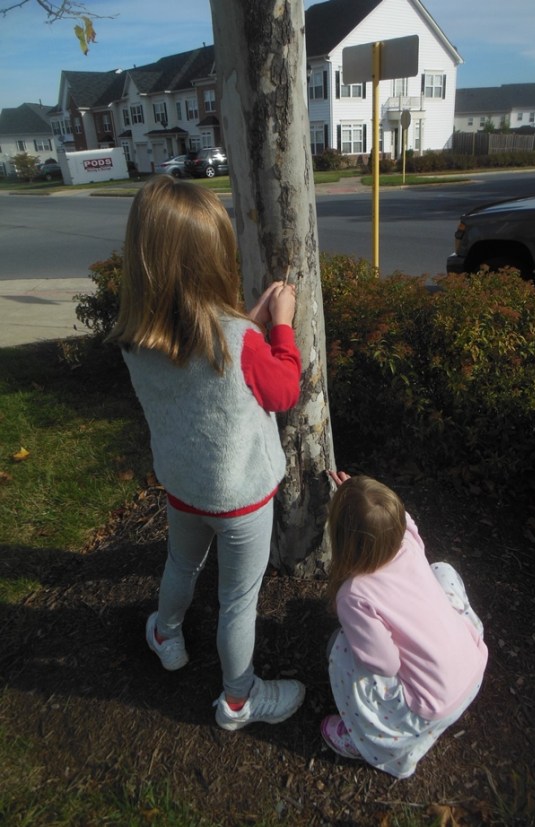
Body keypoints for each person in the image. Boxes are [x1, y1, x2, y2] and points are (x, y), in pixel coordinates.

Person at [106, 175, 305, 730]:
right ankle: (239, 699)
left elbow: (199, 357)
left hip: (184, 486)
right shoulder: (240, 341)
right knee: (238, 599)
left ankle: (165, 632)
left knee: (181, 563)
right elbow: (283, 390)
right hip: (240, 500)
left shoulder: (135, 337)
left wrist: (251, 323)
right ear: (213, 257)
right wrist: (279, 327)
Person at [321, 472, 487, 779]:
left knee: (341, 649)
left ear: (343, 539)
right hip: (472, 670)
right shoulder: (407, 540)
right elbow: (401, 518)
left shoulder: (355, 594)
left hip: (430, 705)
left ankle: (370, 741)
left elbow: (385, 665)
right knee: (442, 570)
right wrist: (361, 497)